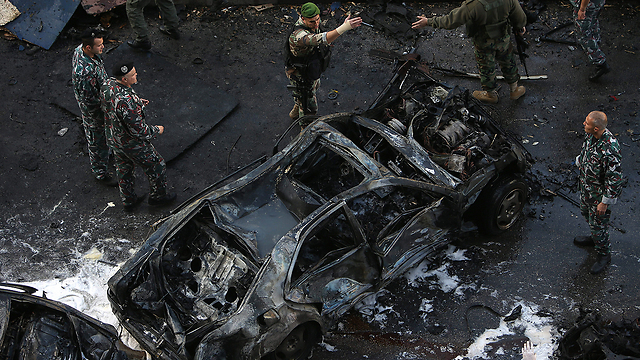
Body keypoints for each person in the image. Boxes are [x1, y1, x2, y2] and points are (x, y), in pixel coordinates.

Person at [412, 0, 527, 104]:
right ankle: (514, 89)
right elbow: (519, 18)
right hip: (503, 39)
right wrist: (520, 28)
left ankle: (491, 95)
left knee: (486, 67)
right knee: (508, 61)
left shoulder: (474, 5)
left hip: (483, 42)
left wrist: (429, 21)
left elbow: (450, 21)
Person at [100, 62, 176, 211]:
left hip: (115, 138)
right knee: (157, 165)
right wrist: (157, 130)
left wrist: (137, 102)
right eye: (133, 75)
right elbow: (139, 131)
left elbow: (112, 104)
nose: (136, 75)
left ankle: (128, 200)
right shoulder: (127, 102)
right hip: (131, 144)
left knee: (124, 168)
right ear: (124, 79)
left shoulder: (108, 84)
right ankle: (158, 197)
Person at [285, 2, 362, 122]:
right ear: (303, 19)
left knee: (311, 90)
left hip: (310, 69)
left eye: (317, 19)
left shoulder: (312, 23)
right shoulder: (298, 36)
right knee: (309, 108)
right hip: (301, 75)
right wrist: (344, 27)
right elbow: (323, 39)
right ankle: (304, 129)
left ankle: (297, 108)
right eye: (312, 21)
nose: (316, 24)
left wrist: (344, 22)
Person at [574, 111, 623, 274]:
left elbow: (614, 178)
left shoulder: (610, 147)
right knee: (586, 214)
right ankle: (595, 238)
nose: (583, 124)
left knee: (599, 225)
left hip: (598, 196)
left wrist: (605, 202)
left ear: (596, 128)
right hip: (587, 188)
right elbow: (586, 152)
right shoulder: (591, 136)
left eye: (587, 123)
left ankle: (604, 254)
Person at [72, 28, 116, 187]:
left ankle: (106, 154)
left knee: (103, 137)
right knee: (97, 141)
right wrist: (107, 108)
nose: (102, 48)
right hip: (95, 112)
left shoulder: (81, 50)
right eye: (99, 45)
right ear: (88, 47)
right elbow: (90, 100)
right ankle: (100, 172)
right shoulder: (85, 72)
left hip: (98, 97)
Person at [571, 0, 610, 81]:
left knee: (583, 35)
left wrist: (582, 9)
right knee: (593, 21)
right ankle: (596, 43)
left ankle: (600, 62)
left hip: (587, 5)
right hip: (597, 3)